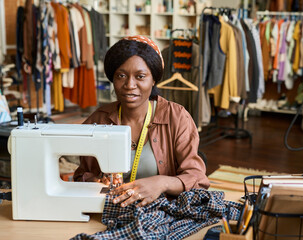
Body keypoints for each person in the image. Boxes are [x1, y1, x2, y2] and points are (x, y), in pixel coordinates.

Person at [73, 36, 209, 208]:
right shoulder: (97, 120)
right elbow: (82, 175)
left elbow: (197, 177)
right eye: (121, 75)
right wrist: (96, 180)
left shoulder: (176, 117)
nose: (130, 85)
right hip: (111, 210)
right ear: (113, 79)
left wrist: (162, 183)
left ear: (153, 80)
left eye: (140, 76)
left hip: (161, 211)